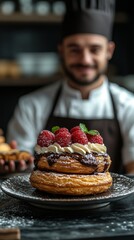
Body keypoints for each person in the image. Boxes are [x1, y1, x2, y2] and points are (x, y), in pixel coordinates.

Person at [4, 0, 134, 174]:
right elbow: (21, 170)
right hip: (43, 201)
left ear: (109, 51)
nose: (85, 60)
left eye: (94, 49)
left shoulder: (129, 106)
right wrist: (15, 166)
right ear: (61, 50)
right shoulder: (31, 105)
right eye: (74, 49)